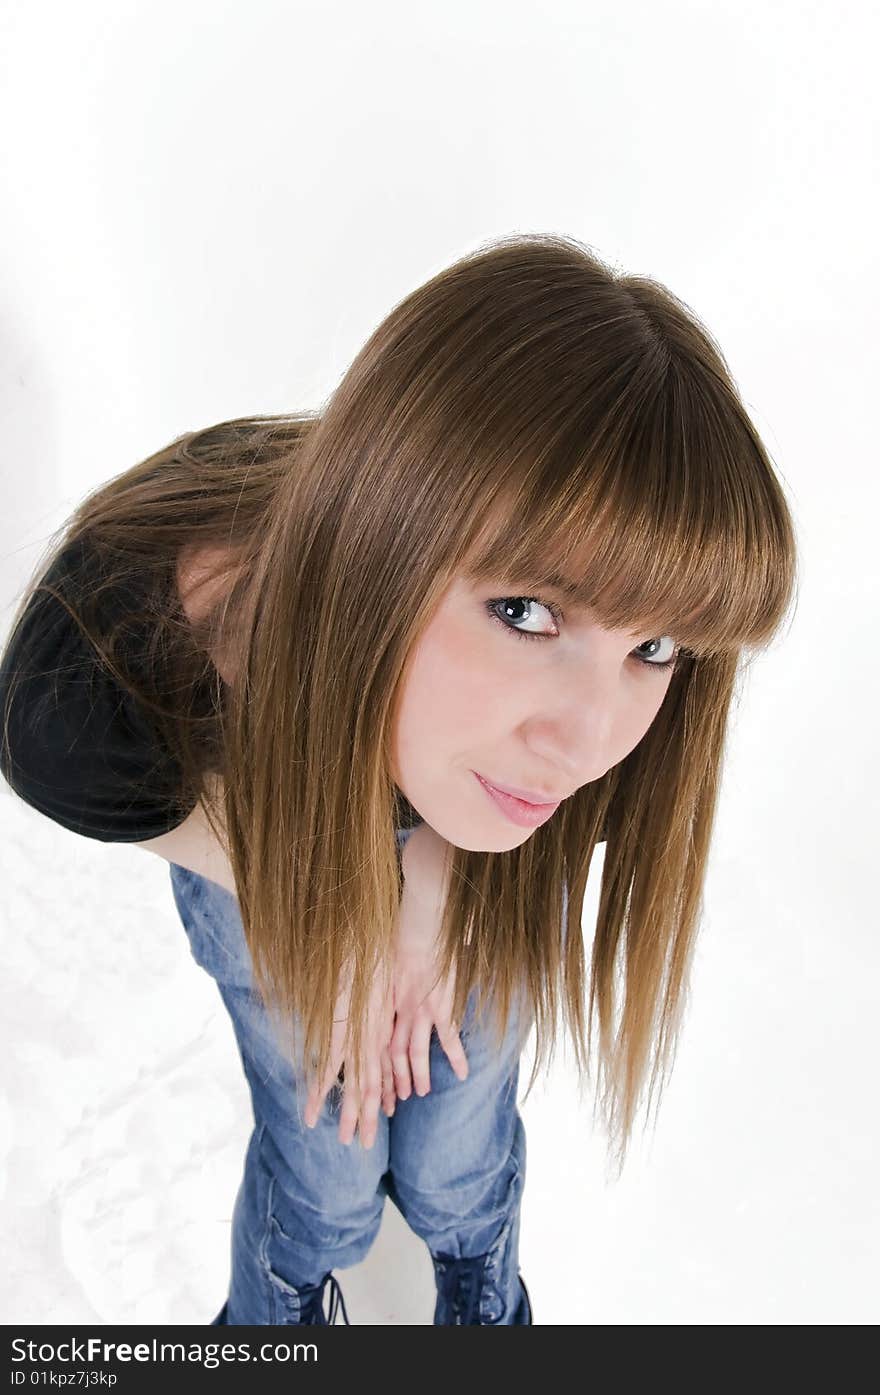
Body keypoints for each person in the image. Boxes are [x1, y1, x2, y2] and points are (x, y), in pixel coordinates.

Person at [0, 232, 799, 1325]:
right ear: (384, 545)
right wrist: (339, 912)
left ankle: (479, 1284)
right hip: (256, 833)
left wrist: (428, 901)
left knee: (455, 1174)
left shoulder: (578, 746)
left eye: (653, 648)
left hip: (444, 831)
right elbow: (143, 800)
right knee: (324, 1189)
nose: (588, 739)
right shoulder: (90, 687)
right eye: (525, 612)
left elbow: (545, 762)